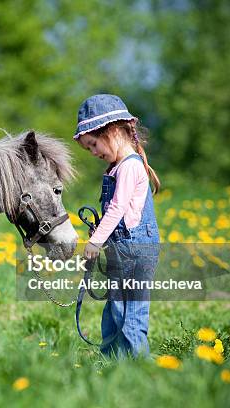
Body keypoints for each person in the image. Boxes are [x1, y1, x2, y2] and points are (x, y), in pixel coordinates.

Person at [73, 94, 161, 358]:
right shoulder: (117, 167)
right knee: (115, 308)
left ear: (112, 131)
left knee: (130, 313)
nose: (94, 152)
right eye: (89, 149)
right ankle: (111, 359)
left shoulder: (129, 167)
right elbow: (119, 215)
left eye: (94, 144)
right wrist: (102, 231)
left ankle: (137, 364)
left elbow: (118, 208)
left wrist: (96, 240)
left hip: (135, 250)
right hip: (122, 248)